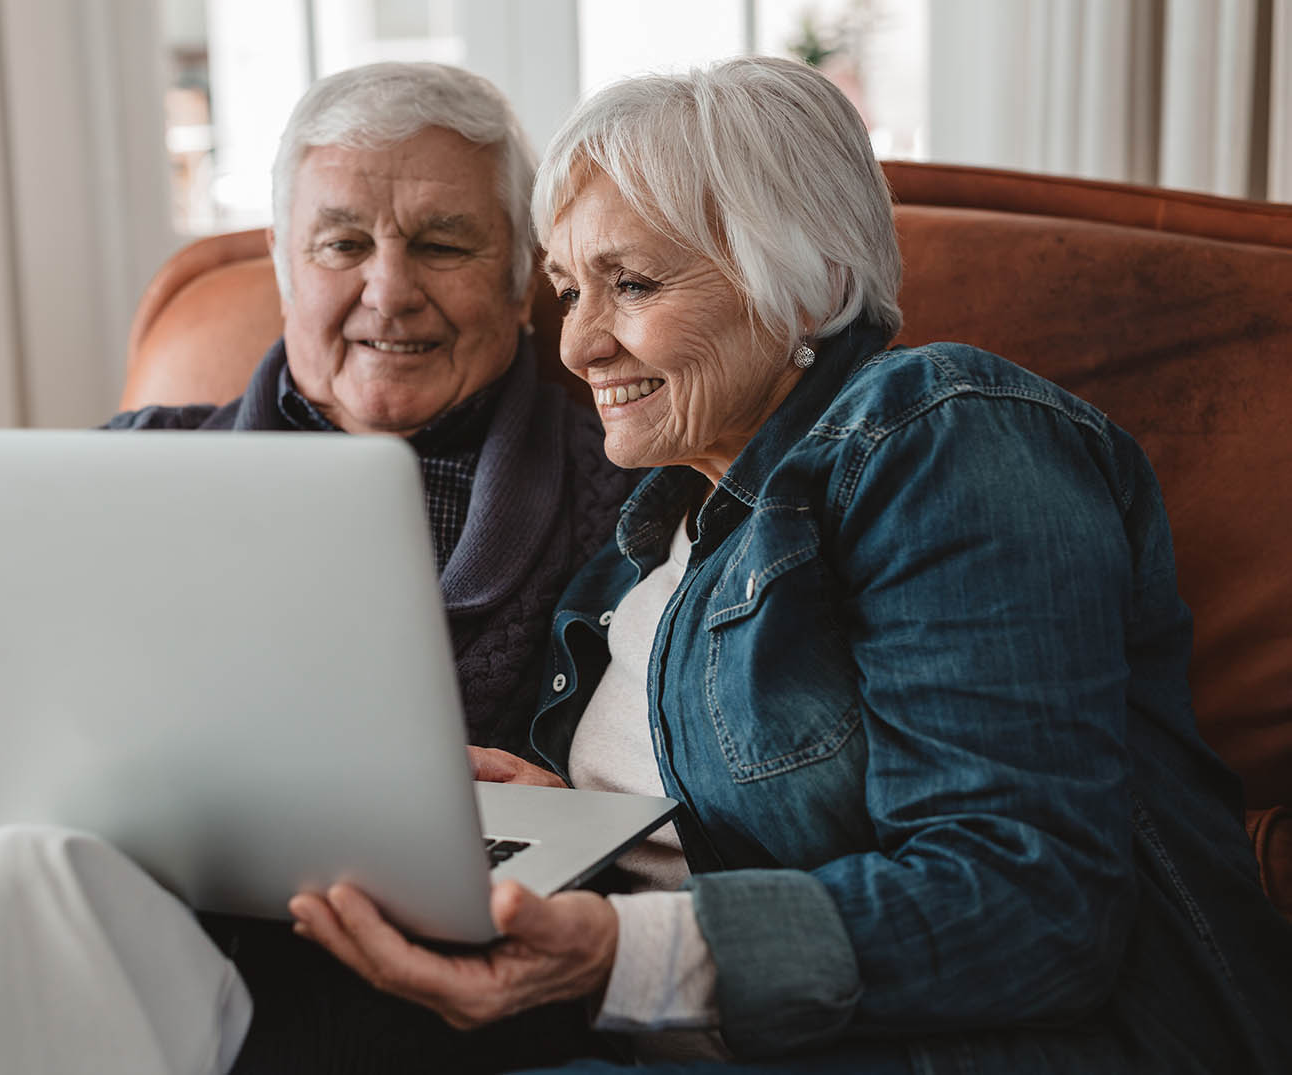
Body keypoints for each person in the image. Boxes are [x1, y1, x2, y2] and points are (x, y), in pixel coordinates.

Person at [285, 57, 1292, 1073]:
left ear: (806, 286)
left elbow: (1028, 899)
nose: (579, 344)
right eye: (567, 290)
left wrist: (618, 946)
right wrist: (584, 834)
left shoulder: (941, 432)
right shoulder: (641, 555)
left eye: (630, 283)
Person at [0, 63, 631, 1073]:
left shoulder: (630, 499)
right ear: (282, 264)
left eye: (443, 243)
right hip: (103, 960)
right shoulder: (119, 467)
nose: (388, 290)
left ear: (518, 273)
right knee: (20, 868)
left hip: (409, 1012)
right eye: (341, 243)